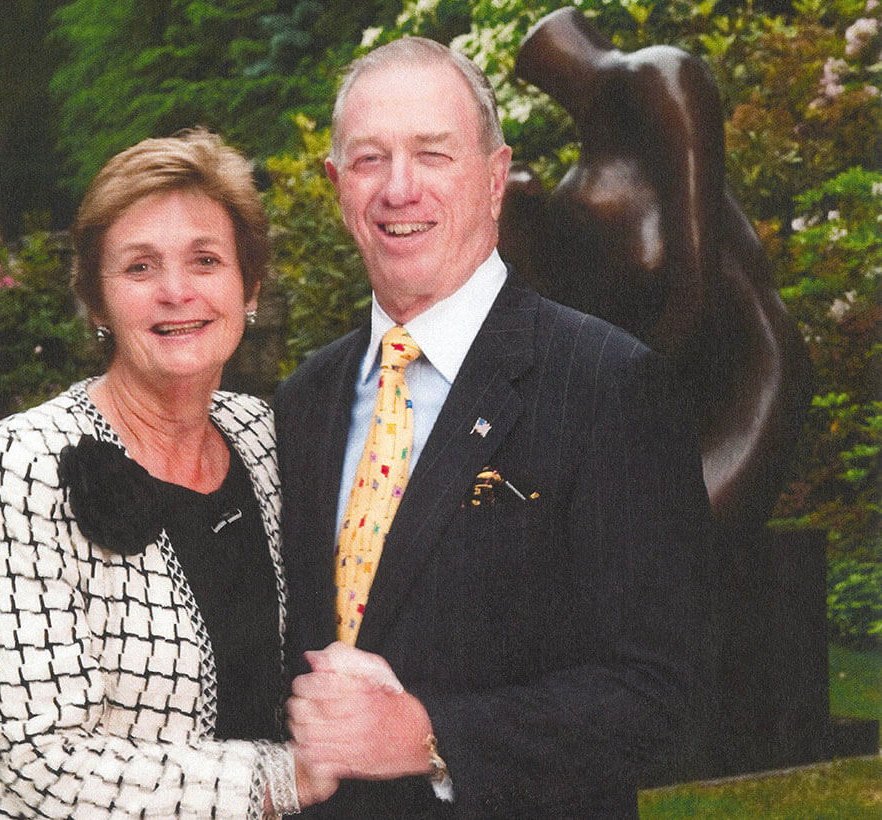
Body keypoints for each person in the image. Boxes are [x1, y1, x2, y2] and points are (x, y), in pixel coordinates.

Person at [275, 36, 712, 818]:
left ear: (495, 177)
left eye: (434, 155)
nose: (398, 189)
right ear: (337, 186)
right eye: (370, 160)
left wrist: (432, 734)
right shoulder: (301, 402)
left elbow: (661, 695)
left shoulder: (610, 385)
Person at [0, 129, 334, 819]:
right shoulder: (11, 468)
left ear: (250, 287)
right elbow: (42, 752)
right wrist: (281, 779)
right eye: (140, 268)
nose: (177, 292)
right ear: (97, 302)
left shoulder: (271, 440)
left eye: (206, 260)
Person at [504, 6, 810, 538]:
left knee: (658, 545)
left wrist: (628, 399)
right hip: (660, 405)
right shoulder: (576, 195)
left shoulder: (659, 78)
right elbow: (558, 340)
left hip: (744, 374)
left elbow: (698, 287)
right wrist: (513, 222)